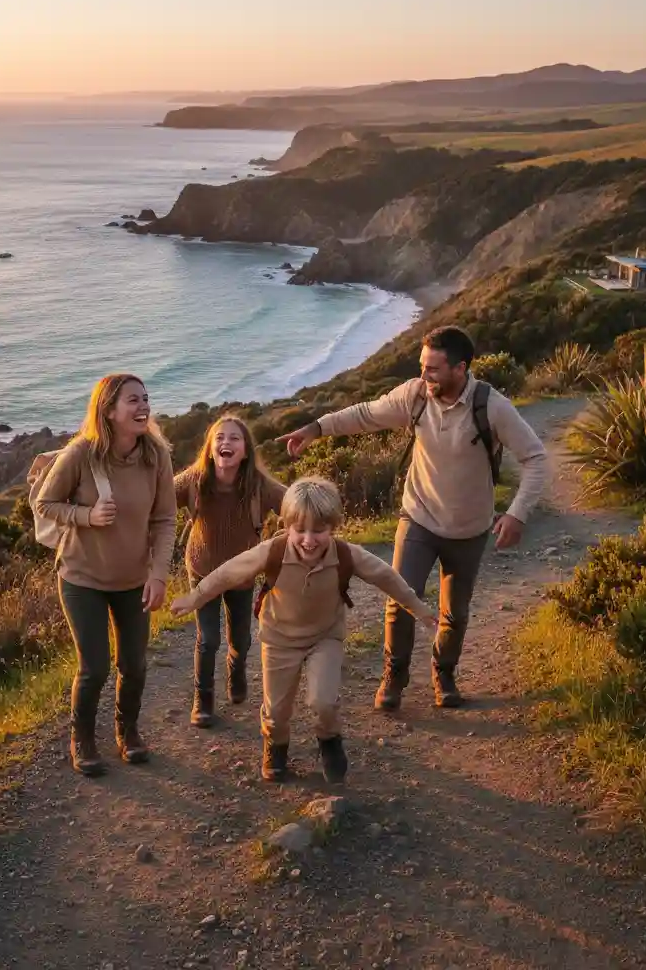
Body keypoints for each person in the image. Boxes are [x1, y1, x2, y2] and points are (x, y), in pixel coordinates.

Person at [276, 325, 547, 711]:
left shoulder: (491, 406)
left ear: (460, 368)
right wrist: (316, 428)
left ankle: (444, 675)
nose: (424, 376)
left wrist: (517, 514)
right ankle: (394, 677)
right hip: (418, 516)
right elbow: (366, 415)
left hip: (470, 529)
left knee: (455, 612)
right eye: (422, 367)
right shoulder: (415, 396)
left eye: (433, 369)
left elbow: (535, 459)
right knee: (401, 597)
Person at [171, 477, 437, 784]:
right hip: (279, 640)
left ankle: (329, 740)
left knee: (323, 701)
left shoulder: (346, 555)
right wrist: (196, 596)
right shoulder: (272, 551)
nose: (309, 540)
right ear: (286, 526)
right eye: (300, 530)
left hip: (324, 636)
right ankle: (276, 745)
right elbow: (228, 573)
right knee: (277, 710)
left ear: (333, 527)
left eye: (319, 530)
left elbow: (387, 578)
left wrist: (419, 608)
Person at [34, 373, 176, 777]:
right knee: (94, 667)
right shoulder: (81, 454)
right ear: (109, 410)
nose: (143, 406)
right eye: (132, 400)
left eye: (145, 398)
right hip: (82, 579)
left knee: (134, 664)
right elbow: (46, 503)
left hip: (134, 581)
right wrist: (87, 516)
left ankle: (127, 731)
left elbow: (165, 518)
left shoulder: (156, 456)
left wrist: (159, 575)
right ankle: (83, 740)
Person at [174, 415, 286, 728]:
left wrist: (289, 543)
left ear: (246, 451)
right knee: (207, 639)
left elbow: (296, 504)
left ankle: (235, 671)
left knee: (241, 640)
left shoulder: (258, 486)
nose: (226, 443)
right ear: (210, 449)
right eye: (219, 438)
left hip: (242, 575)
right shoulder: (193, 481)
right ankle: (203, 700)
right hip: (202, 571)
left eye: (234, 438)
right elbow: (156, 501)